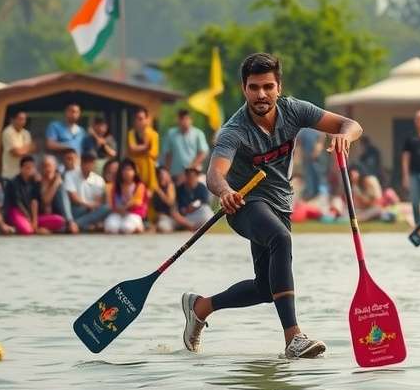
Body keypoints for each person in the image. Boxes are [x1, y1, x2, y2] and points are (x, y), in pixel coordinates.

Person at [180, 52, 362, 359]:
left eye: (267, 86)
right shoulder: (234, 130)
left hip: (280, 203)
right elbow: (214, 174)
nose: (261, 94)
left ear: (279, 86)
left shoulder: (295, 111)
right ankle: (293, 338)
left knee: (266, 289)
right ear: (244, 89)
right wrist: (225, 191)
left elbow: (350, 124)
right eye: (254, 87)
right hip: (243, 203)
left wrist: (345, 137)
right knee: (281, 238)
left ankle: (201, 306)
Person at [5, 155, 66, 235]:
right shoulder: (13, 183)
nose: (30, 170)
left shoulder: (35, 182)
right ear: (21, 169)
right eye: (27, 167)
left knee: (60, 221)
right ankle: (27, 228)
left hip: (31, 216)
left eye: (32, 167)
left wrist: (34, 221)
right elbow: (18, 203)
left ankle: (36, 228)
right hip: (17, 212)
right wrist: (29, 218)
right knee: (28, 231)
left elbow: (35, 201)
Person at [64, 150, 110, 232]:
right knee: (78, 211)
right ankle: (86, 225)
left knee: (106, 208)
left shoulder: (99, 180)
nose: (88, 165)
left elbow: (98, 201)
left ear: (94, 164)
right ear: (81, 162)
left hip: (92, 210)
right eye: (85, 162)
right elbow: (73, 198)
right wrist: (88, 205)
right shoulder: (70, 175)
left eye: (91, 162)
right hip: (77, 209)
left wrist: (92, 206)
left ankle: (76, 224)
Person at [161, 109, 210, 182]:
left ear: (191, 120)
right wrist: (166, 172)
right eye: (181, 119)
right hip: (175, 174)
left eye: (186, 118)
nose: (184, 121)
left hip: (193, 174)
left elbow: (203, 153)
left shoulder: (198, 134)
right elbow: (168, 154)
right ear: (177, 120)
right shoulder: (171, 134)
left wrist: (189, 170)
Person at [104, 158, 147, 234]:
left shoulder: (139, 186)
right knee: (111, 228)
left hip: (133, 213)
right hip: (117, 213)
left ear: (135, 172)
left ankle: (138, 226)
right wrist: (118, 209)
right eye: (124, 170)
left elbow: (137, 202)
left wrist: (125, 207)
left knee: (127, 228)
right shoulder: (114, 186)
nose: (127, 172)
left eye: (130, 169)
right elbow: (111, 204)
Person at [39, 155, 79, 234]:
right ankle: (69, 222)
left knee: (85, 210)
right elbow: (46, 201)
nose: (47, 169)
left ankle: (70, 223)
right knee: (61, 189)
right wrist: (56, 183)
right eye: (45, 166)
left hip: (61, 213)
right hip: (46, 216)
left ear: (55, 167)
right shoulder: (39, 181)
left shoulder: (60, 179)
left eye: (49, 166)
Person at [127, 107, 159, 196]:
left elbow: (154, 154)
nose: (139, 121)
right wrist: (145, 147)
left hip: (149, 172)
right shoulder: (131, 133)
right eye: (137, 119)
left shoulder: (153, 134)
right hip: (135, 171)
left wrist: (140, 149)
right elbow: (132, 149)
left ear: (147, 119)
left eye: (141, 119)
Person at [151, 166, 188, 233]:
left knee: (165, 226)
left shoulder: (171, 186)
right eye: (160, 175)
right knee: (162, 226)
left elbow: (170, 202)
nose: (162, 177)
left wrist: (160, 192)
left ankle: (189, 226)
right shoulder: (156, 190)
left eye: (164, 175)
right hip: (163, 217)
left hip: (174, 216)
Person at [1, 110, 35, 181]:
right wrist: (27, 148)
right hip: (10, 175)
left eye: (24, 119)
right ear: (12, 120)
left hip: (24, 175)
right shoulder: (7, 132)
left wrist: (22, 150)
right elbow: (16, 152)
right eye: (20, 119)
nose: (23, 122)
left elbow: (33, 149)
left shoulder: (26, 133)